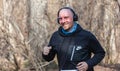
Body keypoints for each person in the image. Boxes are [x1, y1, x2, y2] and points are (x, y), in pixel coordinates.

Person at [42, 7, 105, 71]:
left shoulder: (86, 36)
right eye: (60, 19)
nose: (63, 21)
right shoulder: (56, 36)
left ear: (74, 18)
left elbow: (100, 53)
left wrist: (88, 64)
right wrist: (45, 53)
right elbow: (49, 58)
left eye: (66, 17)